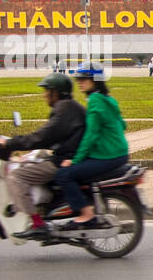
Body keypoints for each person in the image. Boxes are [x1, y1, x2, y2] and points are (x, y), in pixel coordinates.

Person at [0, 71, 85, 239]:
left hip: (63, 159)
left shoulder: (64, 109)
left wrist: (9, 143)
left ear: (56, 92)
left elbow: (43, 136)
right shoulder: (69, 106)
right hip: (66, 155)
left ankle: (37, 223)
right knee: (28, 163)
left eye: (47, 91)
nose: (44, 95)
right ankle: (40, 208)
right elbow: (48, 137)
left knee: (17, 176)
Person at [53, 65, 129, 229]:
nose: (79, 82)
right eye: (78, 79)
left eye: (83, 79)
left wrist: (75, 160)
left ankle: (86, 214)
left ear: (95, 80)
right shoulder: (108, 99)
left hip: (108, 156)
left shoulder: (95, 101)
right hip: (120, 152)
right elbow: (123, 125)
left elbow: (90, 135)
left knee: (63, 175)